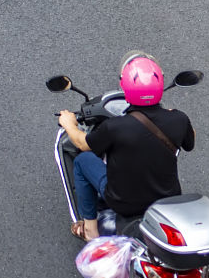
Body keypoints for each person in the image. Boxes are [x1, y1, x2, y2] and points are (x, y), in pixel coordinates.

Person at [58, 53, 195, 241]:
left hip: (123, 203)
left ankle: (90, 230)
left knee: (83, 160)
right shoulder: (179, 119)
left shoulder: (114, 127)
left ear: (125, 86)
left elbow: (82, 143)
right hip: (166, 201)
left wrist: (69, 124)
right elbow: (190, 142)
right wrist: (174, 116)